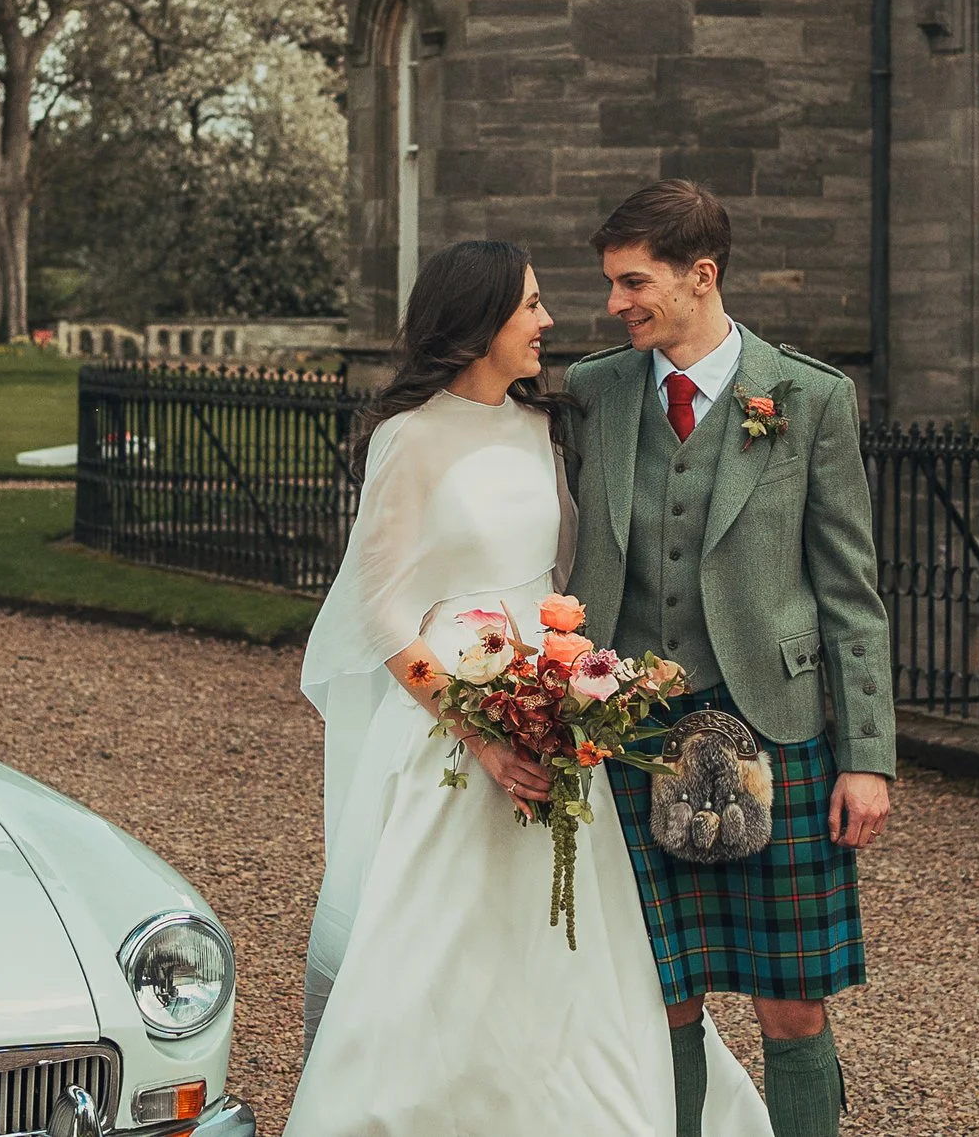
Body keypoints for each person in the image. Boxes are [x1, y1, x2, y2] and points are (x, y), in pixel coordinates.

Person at [289, 240, 771, 1137]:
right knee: (444, 941)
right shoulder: (410, 437)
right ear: (479, 322)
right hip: (455, 719)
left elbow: (562, 573)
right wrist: (481, 730)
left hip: (551, 698)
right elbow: (380, 613)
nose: (549, 321)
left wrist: (576, 691)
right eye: (531, 305)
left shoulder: (540, 424)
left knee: (574, 943)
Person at [565, 181, 894, 1137]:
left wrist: (866, 754)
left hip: (774, 721)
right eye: (612, 284)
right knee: (659, 990)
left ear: (701, 276)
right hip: (627, 733)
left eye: (635, 282)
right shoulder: (595, 391)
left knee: (791, 998)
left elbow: (850, 593)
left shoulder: (810, 397)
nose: (617, 302)